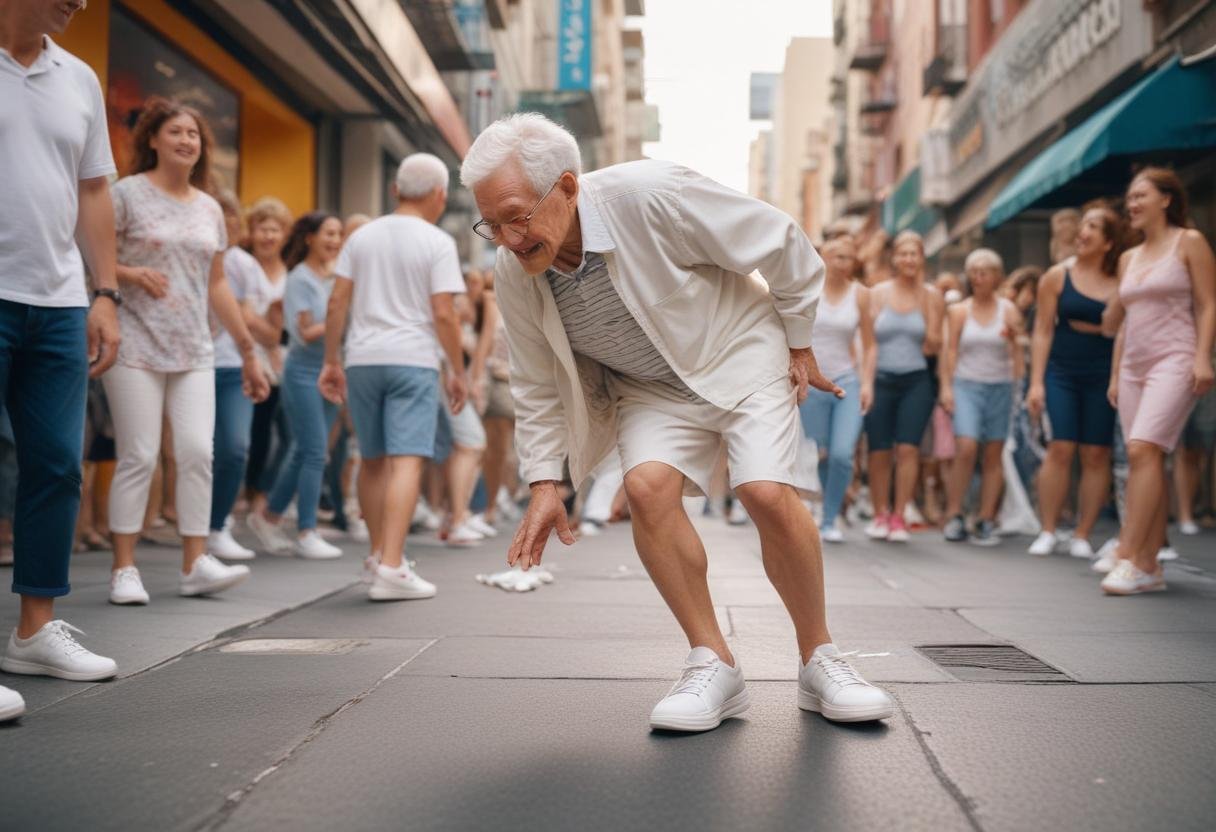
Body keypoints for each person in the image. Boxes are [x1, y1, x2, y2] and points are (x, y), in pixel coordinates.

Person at [461, 113, 893, 732]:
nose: (506, 238)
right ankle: (712, 661)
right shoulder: (514, 272)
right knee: (645, 489)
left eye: (516, 216)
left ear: (566, 187)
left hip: (740, 351)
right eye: (491, 225)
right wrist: (543, 484)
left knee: (766, 491)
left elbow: (783, 240)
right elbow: (534, 384)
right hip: (648, 387)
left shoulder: (654, 194)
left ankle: (820, 657)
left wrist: (798, 341)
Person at [1, 0, 124, 719]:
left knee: (54, 464)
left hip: (57, 303)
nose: (80, 1)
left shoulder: (79, 77)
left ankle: (33, 632)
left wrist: (104, 292)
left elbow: (92, 189)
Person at [104, 98, 269, 606]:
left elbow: (217, 284)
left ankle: (195, 562)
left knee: (198, 451)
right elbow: (92, 257)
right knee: (140, 454)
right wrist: (130, 275)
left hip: (195, 345)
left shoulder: (209, 208)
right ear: (152, 139)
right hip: (133, 340)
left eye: (193, 135)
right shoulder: (125, 195)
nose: (185, 141)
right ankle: (124, 569)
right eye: (175, 132)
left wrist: (247, 350)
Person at [319, 153, 468, 601]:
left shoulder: (360, 237)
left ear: (395, 190)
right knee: (407, 460)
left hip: (362, 359)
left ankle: (377, 555)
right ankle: (392, 566)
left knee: (372, 458)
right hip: (413, 359)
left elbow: (337, 303)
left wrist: (331, 361)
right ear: (440, 195)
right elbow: (444, 313)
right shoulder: (437, 241)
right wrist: (457, 369)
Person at [1100, 168, 1215, 595]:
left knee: (1143, 448)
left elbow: (1207, 305)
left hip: (1176, 358)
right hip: (1132, 366)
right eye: (1129, 198)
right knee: (1144, 460)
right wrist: (1116, 374)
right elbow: (1123, 323)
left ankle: (1128, 552)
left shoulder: (1190, 242)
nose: (1132, 204)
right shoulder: (1129, 257)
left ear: (1166, 199)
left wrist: (1203, 357)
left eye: (1140, 195)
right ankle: (1149, 566)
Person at [1025, 204, 1125, 557]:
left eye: (1093, 227)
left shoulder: (1120, 279)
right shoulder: (1056, 276)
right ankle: (1049, 530)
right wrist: (1036, 382)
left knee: (1097, 453)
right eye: (1083, 225)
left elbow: (1123, 327)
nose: (1082, 232)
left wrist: (1099, 327)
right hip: (1061, 372)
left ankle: (1082, 534)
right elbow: (1041, 331)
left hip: (1103, 374)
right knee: (1061, 447)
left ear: (1109, 242)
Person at [247, 213, 345, 559]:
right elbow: (304, 334)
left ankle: (268, 517)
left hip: (333, 371)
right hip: (303, 373)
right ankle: (307, 531)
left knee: (302, 451)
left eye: (338, 234)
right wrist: (340, 316)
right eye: (328, 233)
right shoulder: (300, 278)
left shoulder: (339, 277)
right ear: (309, 238)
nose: (334, 240)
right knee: (316, 451)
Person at [864, 231, 945, 542]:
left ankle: (899, 515)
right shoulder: (877, 294)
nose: (909, 259)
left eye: (915, 254)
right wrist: (867, 384)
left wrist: (927, 305)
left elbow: (934, 347)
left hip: (916, 380)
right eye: (903, 254)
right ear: (894, 259)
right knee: (879, 450)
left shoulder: (932, 296)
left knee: (909, 449)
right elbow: (867, 342)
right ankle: (879, 514)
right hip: (881, 379)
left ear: (922, 258)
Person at [939, 249, 1023, 545]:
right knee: (966, 446)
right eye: (973, 271)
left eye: (984, 271)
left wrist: (1019, 383)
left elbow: (1017, 352)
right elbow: (949, 350)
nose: (978, 277)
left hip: (1000, 385)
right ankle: (954, 514)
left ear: (997, 277)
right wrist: (946, 388)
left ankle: (986, 517)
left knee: (993, 453)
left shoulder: (1008, 309)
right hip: (967, 384)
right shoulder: (960, 310)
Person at [798, 234, 875, 543]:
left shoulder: (861, 295)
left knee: (843, 454)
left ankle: (830, 519)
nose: (844, 262)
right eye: (837, 256)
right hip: (813, 382)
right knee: (821, 453)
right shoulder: (807, 290)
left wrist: (867, 382)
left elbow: (870, 346)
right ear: (823, 258)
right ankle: (819, 509)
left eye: (849, 257)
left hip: (846, 382)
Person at [206, 190, 263, 560]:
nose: (226, 226)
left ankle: (217, 524)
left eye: (231, 220)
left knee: (235, 448)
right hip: (189, 362)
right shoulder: (190, 253)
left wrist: (249, 354)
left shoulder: (244, 265)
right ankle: (192, 529)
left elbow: (248, 315)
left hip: (231, 367)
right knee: (192, 454)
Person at [242, 198, 291, 516]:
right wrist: (271, 334)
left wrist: (273, 336)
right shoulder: (243, 265)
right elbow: (243, 316)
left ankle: (258, 492)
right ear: (252, 231)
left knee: (274, 433)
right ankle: (247, 492)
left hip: (279, 365)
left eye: (275, 230)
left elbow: (285, 324)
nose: (268, 236)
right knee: (246, 433)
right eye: (263, 229)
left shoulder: (289, 271)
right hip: (245, 357)